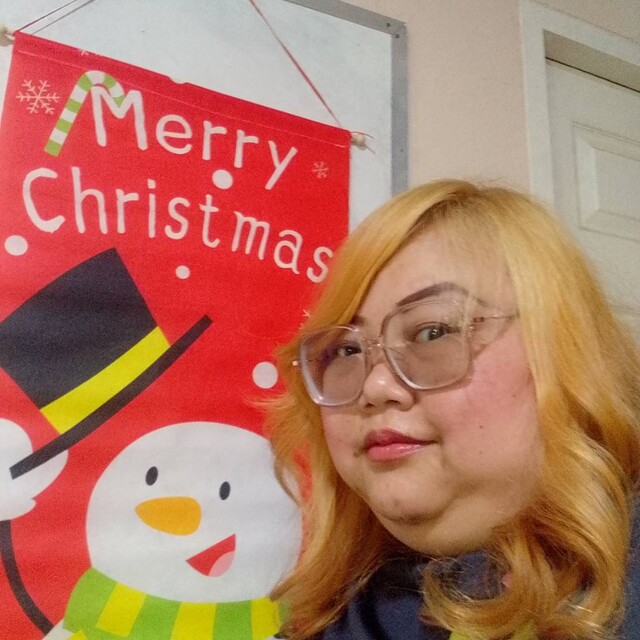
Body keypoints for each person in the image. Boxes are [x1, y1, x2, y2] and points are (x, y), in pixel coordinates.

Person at [265, 179, 640, 640]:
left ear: (568, 355)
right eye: (345, 350)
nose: (374, 386)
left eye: (433, 331)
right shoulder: (335, 620)